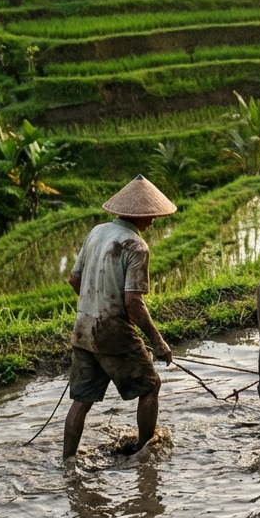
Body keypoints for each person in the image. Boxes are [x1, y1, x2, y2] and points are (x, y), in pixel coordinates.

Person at [63, 174, 177, 460]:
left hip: (83, 329)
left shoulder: (97, 231)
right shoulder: (135, 246)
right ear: (138, 214)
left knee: (81, 401)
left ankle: (68, 462)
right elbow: (133, 303)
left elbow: (74, 280)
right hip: (112, 331)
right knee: (151, 386)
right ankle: (144, 454)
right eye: (150, 213)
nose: (154, 219)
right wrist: (158, 342)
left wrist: (94, 305)